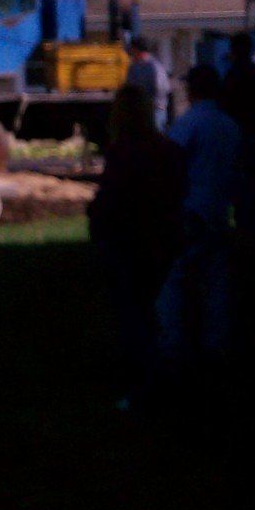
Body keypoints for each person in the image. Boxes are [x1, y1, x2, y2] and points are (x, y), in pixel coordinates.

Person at [88, 84, 186, 403]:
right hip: (162, 239)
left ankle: (145, 384)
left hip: (129, 242)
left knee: (133, 314)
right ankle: (162, 373)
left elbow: (113, 200)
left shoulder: (123, 152)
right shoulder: (168, 150)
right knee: (149, 308)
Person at [159, 65, 241, 375]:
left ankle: (174, 346)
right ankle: (216, 345)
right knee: (217, 282)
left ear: (192, 90)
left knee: (176, 279)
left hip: (191, 208)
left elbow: (170, 161)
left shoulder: (190, 122)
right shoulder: (229, 124)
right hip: (219, 209)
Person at [222, 32, 255, 237]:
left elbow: (226, 106)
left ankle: (244, 228)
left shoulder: (232, 75)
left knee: (241, 189)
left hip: (239, 137)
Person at [124, 38, 172, 128]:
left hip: (155, 109)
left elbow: (162, 88)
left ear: (136, 50)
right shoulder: (134, 67)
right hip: (140, 110)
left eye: (132, 50)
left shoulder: (154, 66)